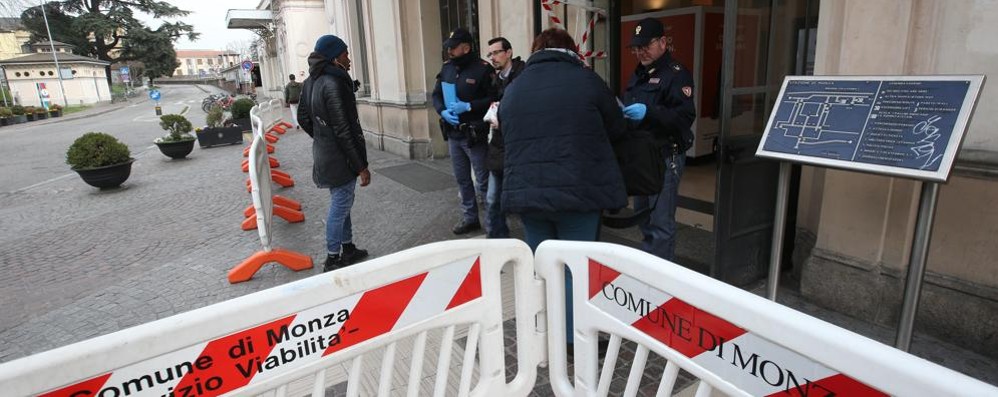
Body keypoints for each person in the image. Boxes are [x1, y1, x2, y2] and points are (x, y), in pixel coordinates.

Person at [499, 28, 627, 348]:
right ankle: (576, 339)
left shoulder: (514, 88)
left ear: (535, 51)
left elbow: (504, 137)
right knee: (577, 269)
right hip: (578, 193)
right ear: (571, 50)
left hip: (528, 196)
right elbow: (617, 127)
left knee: (543, 269)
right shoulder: (586, 80)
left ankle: (550, 332)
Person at [622, 18, 696, 261]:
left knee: (661, 221)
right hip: (643, 157)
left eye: (646, 45)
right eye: (636, 47)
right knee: (643, 214)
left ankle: (661, 279)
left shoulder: (676, 74)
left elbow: (684, 116)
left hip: (666, 156)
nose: (640, 52)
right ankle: (650, 263)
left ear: (663, 42)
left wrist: (649, 112)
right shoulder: (639, 74)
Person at [297, 34, 371, 272]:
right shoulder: (334, 82)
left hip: (326, 153)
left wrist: (321, 136)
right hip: (340, 157)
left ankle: (348, 248)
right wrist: (361, 166)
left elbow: (303, 118)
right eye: (345, 54)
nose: (349, 59)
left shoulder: (310, 81)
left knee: (343, 201)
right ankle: (332, 258)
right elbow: (343, 130)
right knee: (340, 205)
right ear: (334, 57)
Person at [432, 27, 498, 235]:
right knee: (462, 179)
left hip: (474, 135)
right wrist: (442, 111)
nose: (449, 51)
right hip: (453, 133)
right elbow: (436, 95)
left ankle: (492, 224)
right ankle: (470, 218)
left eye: (453, 48)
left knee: (483, 181)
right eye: (448, 48)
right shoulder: (447, 69)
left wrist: (469, 106)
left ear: (466, 48)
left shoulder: (483, 69)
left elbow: (494, 98)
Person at [483, 36, 525, 239]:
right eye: (490, 54)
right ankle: (496, 240)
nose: (493, 57)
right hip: (499, 146)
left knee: (523, 200)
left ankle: (535, 243)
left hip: (519, 147)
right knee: (492, 199)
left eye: (496, 52)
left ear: (508, 52)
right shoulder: (495, 79)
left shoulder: (523, 75)